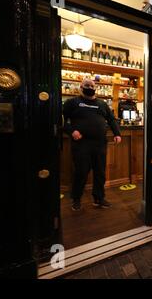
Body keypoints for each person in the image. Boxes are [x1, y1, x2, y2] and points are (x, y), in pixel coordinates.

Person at [63, 79, 122, 211]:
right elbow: (61, 120)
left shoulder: (102, 104)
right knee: (81, 172)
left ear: (96, 88)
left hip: (100, 143)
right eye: (87, 86)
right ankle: (76, 199)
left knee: (100, 172)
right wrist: (71, 131)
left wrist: (117, 133)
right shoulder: (72, 102)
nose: (89, 87)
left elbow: (111, 119)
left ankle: (98, 198)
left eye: (92, 86)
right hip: (81, 144)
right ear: (81, 87)